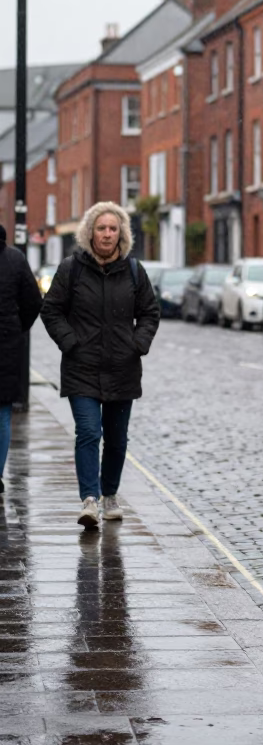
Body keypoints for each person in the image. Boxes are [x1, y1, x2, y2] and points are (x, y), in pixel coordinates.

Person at [41, 201, 160, 529]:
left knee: (118, 440)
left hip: (123, 368)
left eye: (113, 228)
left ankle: (110, 495)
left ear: (121, 232)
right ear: (90, 232)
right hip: (82, 368)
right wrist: (70, 342)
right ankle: (89, 500)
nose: (107, 234)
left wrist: (138, 344)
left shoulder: (134, 270)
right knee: (89, 432)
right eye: (101, 228)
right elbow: (50, 310)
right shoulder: (71, 268)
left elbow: (150, 311)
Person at [0, 224, 42, 494]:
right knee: (2, 411)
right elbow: (34, 302)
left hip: (8, 340)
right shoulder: (15, 258)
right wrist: (17, 327)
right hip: (6, 344)